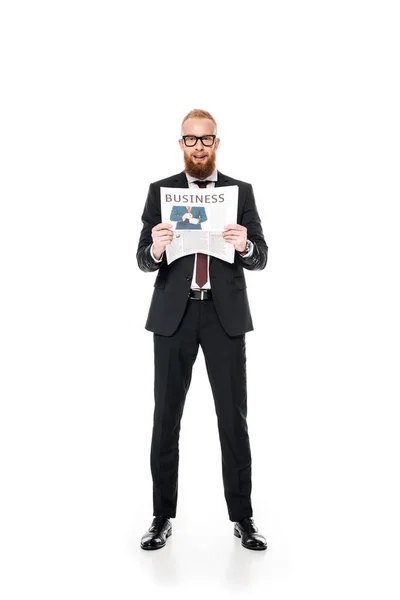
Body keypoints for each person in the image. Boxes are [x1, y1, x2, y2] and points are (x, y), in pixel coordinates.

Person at [137, 109, 268, 551]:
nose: (198, 147)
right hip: (174, 317)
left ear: (216, 143)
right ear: (181, 144)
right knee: (165, 419)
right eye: (190, 140)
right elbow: (141, 258)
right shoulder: (161, 192)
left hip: (224, 316)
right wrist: (155, 248)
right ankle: (161, 517)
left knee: (233, 419)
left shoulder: (240, 192)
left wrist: (244, 243)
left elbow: (261, 256)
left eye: (205, 140)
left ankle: (243, 518)